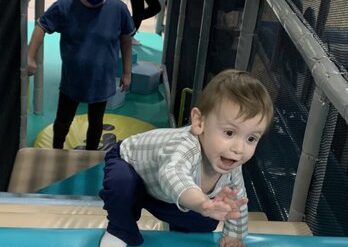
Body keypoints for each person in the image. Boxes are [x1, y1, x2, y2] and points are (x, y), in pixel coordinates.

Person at [99, 69, 274, 247]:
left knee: (206, 221)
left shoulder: (232, 162)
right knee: (122, 183)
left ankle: (175, 224)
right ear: (199, 123)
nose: (239, 148)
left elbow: (237, 202)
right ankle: (120, 230)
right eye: (229, 132)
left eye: (251, 138)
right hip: (130, 164)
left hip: (159, 190)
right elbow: (172, 174)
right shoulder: (186, 147)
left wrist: (234, 235)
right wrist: (203, 203)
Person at [27, 0, 135, 150]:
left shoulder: (118, 9)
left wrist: (127, 72)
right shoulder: (65, 7)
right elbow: (41, 26)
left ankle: (90, 155)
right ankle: (56, 150)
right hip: (72, 80)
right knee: (63, 121)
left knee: (96, 122)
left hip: (101, 81)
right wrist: (30, 56)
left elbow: (126, 41)